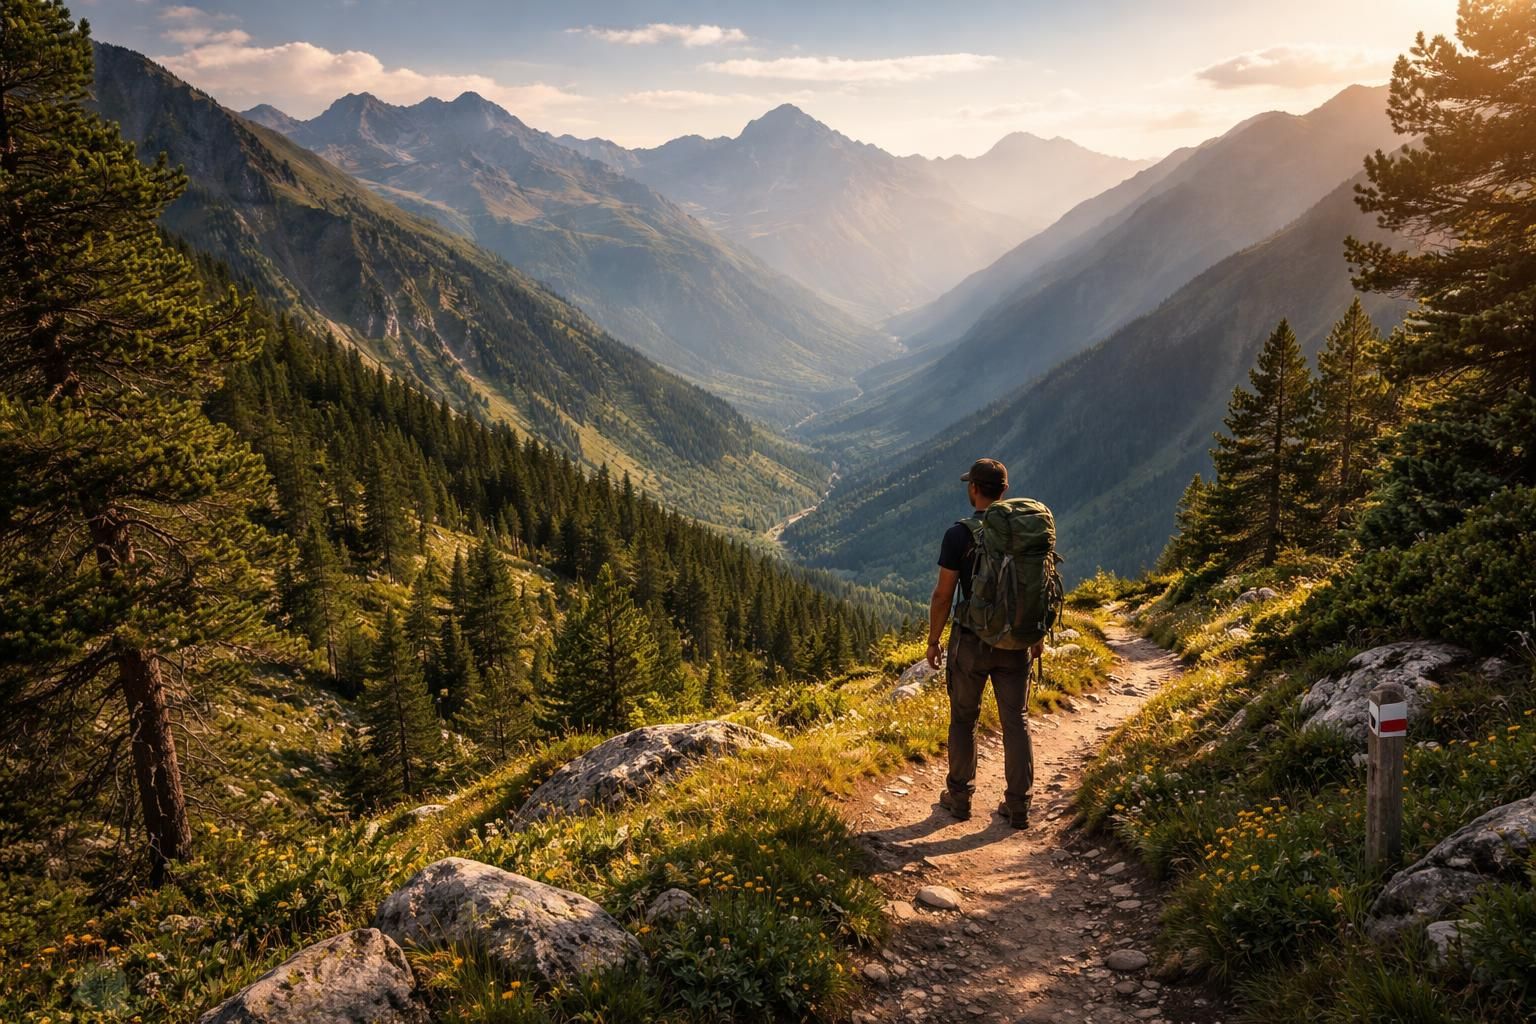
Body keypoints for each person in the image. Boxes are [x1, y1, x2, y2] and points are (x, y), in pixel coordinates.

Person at [925, 458, 1043, 828]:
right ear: (1004, 491)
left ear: (973, 488)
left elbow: (943, 595)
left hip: (971, 641)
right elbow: (1036, 586)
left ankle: (959, 798)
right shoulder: (1025, 532)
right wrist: (1035, 635)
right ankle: (1018, 804)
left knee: (964, 718)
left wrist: (933, 639)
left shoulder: (959, 534)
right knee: (1016, 720)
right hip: (1016, 643)